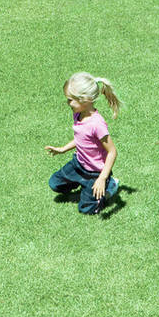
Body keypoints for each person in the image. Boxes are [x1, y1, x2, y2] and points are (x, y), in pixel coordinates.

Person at [45, 72, 121, 214]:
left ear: (85, 100)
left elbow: (112, 152)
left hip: (95, 173)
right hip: (78, 165)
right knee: (55, 184)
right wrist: (63, 149)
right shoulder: (78, 114)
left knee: (86, 209)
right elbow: (82, 138)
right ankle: (84, 185)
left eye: (70, 100)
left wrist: (102, 178)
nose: (68, 103)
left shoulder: (97, 124)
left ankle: (109, 186)